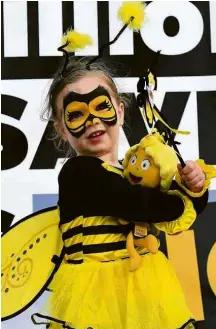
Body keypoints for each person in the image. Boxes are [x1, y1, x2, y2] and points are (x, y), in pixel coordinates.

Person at [32, 58, 208, 329]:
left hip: (147, 292)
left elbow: (171, 220)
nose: (92, 120)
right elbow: (138, 205)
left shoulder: (134, 172)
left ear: (121, 111)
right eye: (76, 113)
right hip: (96, 302)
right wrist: (180, 197)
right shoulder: (79, 173)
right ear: (61, 129)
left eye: (102, 106)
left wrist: (194, 189)